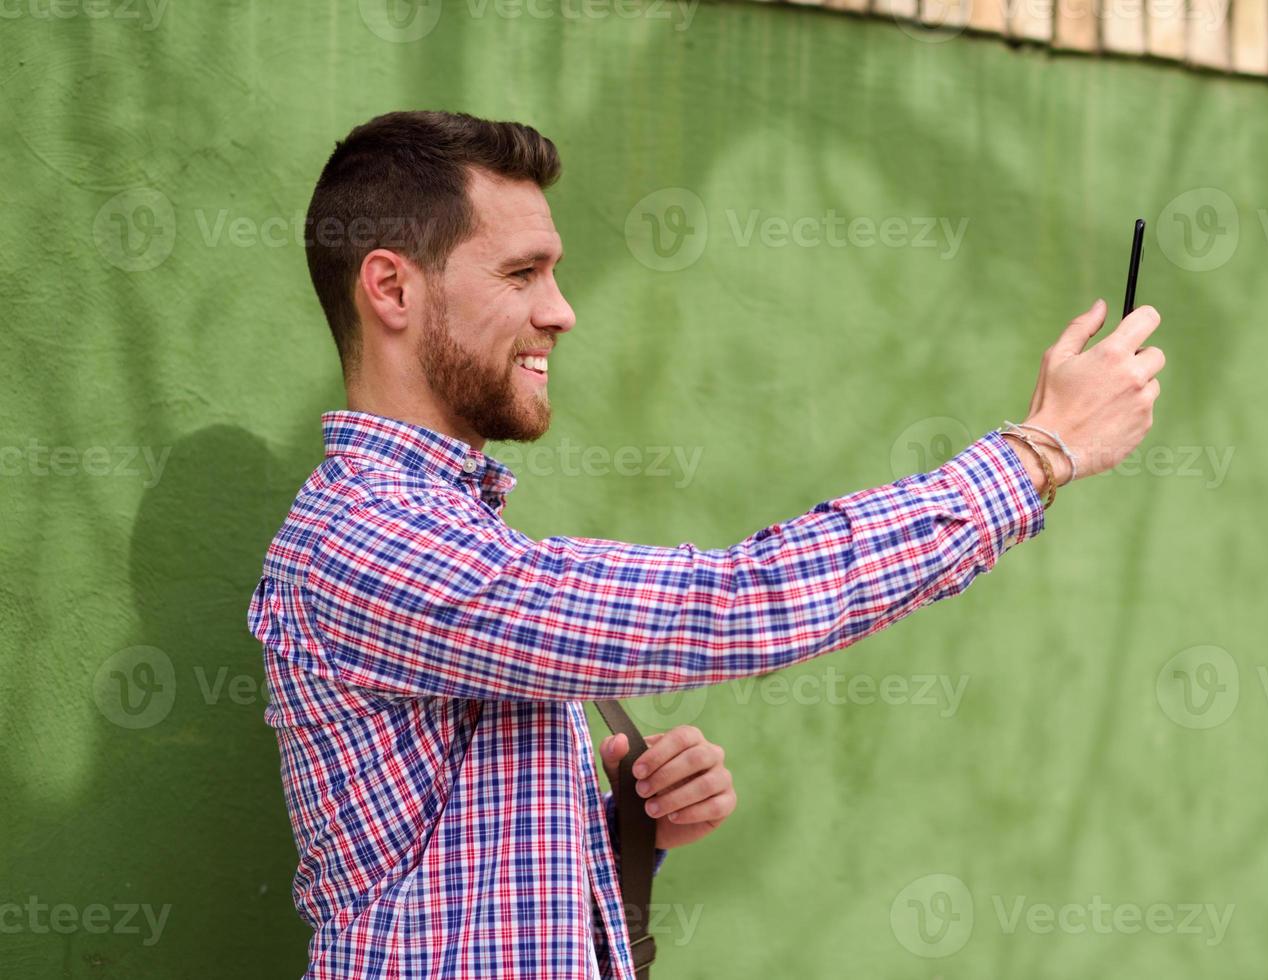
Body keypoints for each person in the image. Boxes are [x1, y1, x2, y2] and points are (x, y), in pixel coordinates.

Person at [247, 110, 1164, 980]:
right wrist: (1039, 454)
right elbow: (733, 605)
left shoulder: (442, 530)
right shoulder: (369, 537)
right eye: (521, 275)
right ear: (391, 288)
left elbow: (454, 901)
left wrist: (618, 831)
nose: (562, 311)